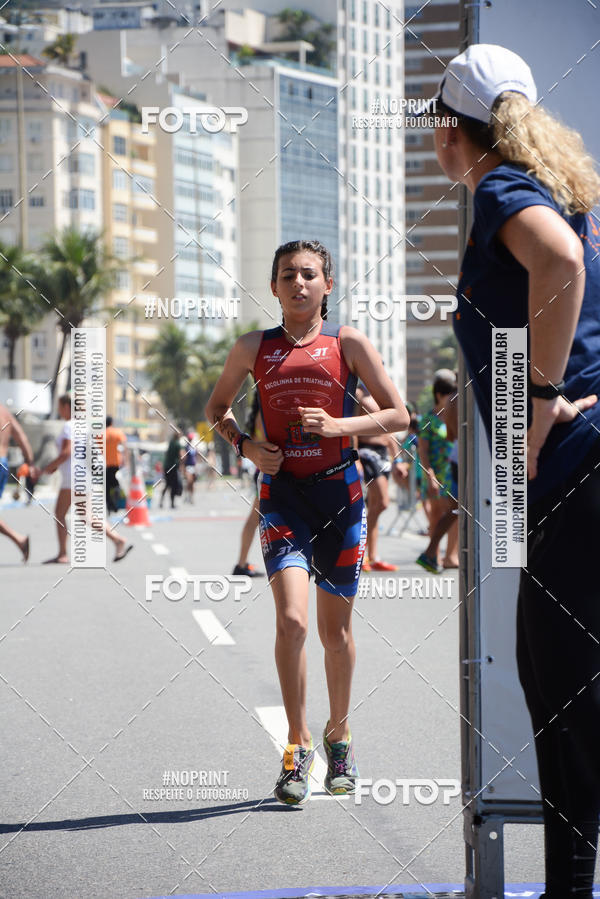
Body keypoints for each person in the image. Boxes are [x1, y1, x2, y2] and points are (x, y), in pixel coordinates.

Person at [432, 44, 600, 896]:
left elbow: (559, 264)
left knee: (561, 689)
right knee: (569, 684)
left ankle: (571, 888)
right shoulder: (569, 189)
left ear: (448, 134)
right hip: (578, 461)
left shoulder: (502, 188)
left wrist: (536, 405)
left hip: (575, 466)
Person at [206, 239, 409, 806]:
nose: (299, 283)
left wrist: (339, 427)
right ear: (272, 287)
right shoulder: (253, 347)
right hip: (282, 499)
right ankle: (296, 748)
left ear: (328, 284)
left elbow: (400, 413)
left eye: (309, 274)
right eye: (287, 275)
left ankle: (338, 735)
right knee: (292, 623)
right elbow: (215, 409)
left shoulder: (348, 343)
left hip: (341, 500)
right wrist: (245, 445)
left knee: (334, 633)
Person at [41, 394, 133, 564]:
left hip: (72, 479)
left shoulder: (69, 426)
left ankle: (62, 554)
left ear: (67, 407)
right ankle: (117, 539)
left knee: (60, 513)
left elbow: (67, 453)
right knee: (86, 516)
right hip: (84, 477)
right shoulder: (84, 427)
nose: (59, 410)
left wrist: (48, 468)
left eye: (60, 407)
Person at [354, 384, 404, 571]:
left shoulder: (381, 392)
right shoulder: (359, 393)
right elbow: (351, 426)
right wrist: (355, 455)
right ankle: (362, 554)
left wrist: (398, 459)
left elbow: (389, 430)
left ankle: (371, 556)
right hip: (368, 452)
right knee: (382, 502)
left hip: (384, 452)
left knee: (375, 505)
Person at [416, 369, 458, 572]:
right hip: (434, 473)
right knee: (437, 516)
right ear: (440, 395)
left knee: (454, 513)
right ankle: (435, 555)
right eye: (450, 394)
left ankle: (450, 555)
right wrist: (429, 475)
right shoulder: (427, 419)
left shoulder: (453, 415)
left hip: (451, 472)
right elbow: (422, 450)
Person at [232, 391, 265, 578]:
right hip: (267, 472)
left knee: (254, 519)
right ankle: (241, 563)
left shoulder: (257, 416)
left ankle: (241, 563)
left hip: (263, 471)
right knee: (254, 519)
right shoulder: (263, 417)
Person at [0, 403, 32, 560]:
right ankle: (19, 541)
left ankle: (19, 540)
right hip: (3, 462)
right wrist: (29, 461)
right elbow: (21, 437)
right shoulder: (5, 412)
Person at [105, 416, 127, 513]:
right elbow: (124, 445)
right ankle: (115, 504)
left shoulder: (102, 434)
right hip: (116, 462)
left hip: (105, 463)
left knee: (106, 487)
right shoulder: (117, 432)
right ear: (112, 422)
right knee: (115, 483)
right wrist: (126, 460)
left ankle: (110, 506)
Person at [159, 431, 184, 509]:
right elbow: (182, 455)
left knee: (167, 484)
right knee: (174, 485)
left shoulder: (171, 443)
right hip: (173, 467)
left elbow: (167, 454)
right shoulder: (177, 444)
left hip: (167, 466)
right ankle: (172, 503)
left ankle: (161, 501)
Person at [183, 432, 198, 504]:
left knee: (192, 483)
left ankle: (191, 497)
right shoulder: (186, 447)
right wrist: (183, 467)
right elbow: (184, 457)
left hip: (193, 466)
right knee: (189, 481)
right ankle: (186, 496)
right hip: (188, 466)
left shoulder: (194, 447)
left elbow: (196, 456)